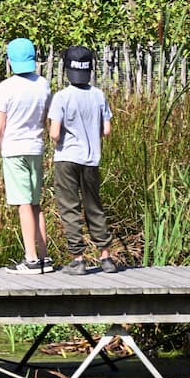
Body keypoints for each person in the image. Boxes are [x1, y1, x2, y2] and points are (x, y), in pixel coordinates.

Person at [47, 46, 120, 274]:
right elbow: (106, 130)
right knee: (93, 206)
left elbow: (55, 133)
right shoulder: (98, 95)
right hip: (91, 159)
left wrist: (57, 139)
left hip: (67, 158)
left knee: (70, 207)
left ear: (68, 69)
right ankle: (105, 256)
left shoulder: (62, 97)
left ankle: (78, 258)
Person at [0, 37, 51, 274]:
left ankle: (31, 259)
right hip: (35, 147)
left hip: (14, 149)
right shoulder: (43, 84)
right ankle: (45, 257)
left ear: (10, 61)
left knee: (23, 204)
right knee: (36, 204)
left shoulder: (7, 87)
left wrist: (1, 147)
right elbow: (45, 116)